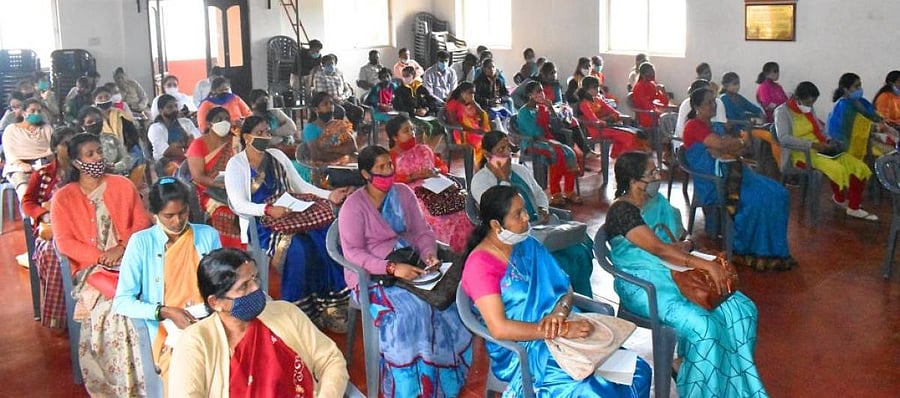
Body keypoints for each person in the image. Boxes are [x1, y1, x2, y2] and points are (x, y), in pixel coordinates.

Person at [605, 151, 769, 398]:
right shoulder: (622, 211)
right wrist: (705, 266)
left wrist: (688, 246)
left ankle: (722, 382)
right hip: (643, 285)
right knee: (704, 326)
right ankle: (700, 388)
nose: (658, 176)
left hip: (678, 275)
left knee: (741, 310)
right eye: (652, 173)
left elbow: (682, 238)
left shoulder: (658, 203)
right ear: (634, 181)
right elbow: (658, 248)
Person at [463, 185, 651, 397]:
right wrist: (560, 330)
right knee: (593, 391)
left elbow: (565, 288)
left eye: (525, 210)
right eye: (518, 214)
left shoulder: (529, 244)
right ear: (496, 224)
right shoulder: (480, 265)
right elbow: (499, 329)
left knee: (638, 372)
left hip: (563, 331)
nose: (527, 217)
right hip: (525, 348)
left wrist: (559, 313)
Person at [337, 145, 472, 397]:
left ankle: (442, 381)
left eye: (390, 165)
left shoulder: (403, 194)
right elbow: (354, 253)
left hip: (409, 261)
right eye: (381, 168)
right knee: (411, 311)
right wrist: (391, 268)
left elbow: (421, 231)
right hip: (370, 275)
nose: (389, 171)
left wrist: (428, 254)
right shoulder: (353, 207)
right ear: (366, 174)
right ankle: (410, 387)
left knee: (450, 302)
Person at [224, 116, 353, 331]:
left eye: (267, 131)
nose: (266, 136)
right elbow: (238, 204)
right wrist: (267, 210)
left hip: (292, 214)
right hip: (263, 224)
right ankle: (300, 311)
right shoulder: (236, 165)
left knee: (324, 237)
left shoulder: (276, 156)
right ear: (247, 137)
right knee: (299, 249)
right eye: (261, 132)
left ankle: (331, 306)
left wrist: (329, 195)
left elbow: (300, 185)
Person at [168, 248, 349, 397]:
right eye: (244, 286)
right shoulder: (196, 342)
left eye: (255, 278)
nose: (256, 288)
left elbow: (331, 360)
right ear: (216, 302)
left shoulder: (286, 313)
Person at [51, 133, 152, 396]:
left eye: (99, 152)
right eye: (90, 155)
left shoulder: (122, 185)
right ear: (76, 162)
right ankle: (122, 384)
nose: (98, 158)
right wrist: (100, 257)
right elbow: (64, 242)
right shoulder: (64, 198)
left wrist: (122, 247)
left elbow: (141, 224)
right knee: (117, 313)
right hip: (92, 271)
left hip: (130, 259)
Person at [113, 177, 222, 383]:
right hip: (169, 329)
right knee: (188, 372)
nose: (178, 220)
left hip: (210, 319)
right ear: (154, 215)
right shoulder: (141, 243)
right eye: (169, 216)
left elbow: (221, 284)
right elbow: (122, 301)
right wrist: (165, 311)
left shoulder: (207, 235)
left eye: (183, 212)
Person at [682, 88, 796, 271]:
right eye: (708, 103)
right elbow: (722, 145)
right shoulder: (693, 126)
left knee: (779, 193)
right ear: (697, 107)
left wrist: (732, 146)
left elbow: (738, 148)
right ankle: (753, 251)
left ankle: (776, 250)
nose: (713, 105)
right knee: (759, 201)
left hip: (736, 173)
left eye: (714, 101)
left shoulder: (715, 126)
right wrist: (732, 145)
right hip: (717, 182)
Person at [471, 131, 594, 296]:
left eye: (508, 147)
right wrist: (503, 178)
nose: (507, 153)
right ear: (487, 154)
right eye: (501, 149)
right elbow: (500, 211)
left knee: (580, 246)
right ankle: (559, 298)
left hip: (539, 225)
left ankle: (583, 299)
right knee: (565, 258)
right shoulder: (481, 181)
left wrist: (543, 209)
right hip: (513, 235)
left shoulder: (519, 170)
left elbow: (538, 192)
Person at [775, 81, 877, 221]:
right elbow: (784, 138)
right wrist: (812, 145)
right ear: (798, 98)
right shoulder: (783, 112)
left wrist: (829, 140)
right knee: (837, 169)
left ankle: (853, 206)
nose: (810, 106)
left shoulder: (809, 108)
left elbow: (820, 129)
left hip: (820, 148)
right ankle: (840, 198)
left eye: (813, 103)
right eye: (808, 102)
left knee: (859, 167)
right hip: (800, 154)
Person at [386, 115, 473, 252]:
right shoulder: (390, 157)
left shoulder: (423, 150)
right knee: (437, 218)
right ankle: (442, 252)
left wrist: (436, 170)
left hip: (436, 189)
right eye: (406, 131)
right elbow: (390, 180)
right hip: (410, 196)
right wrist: (414, 176)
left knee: (463, 210)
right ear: (394, 137)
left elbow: (443, 167)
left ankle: (465, 251)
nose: (412, 134)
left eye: (412, 129)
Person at [22, 127, 77, 329]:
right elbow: (27, 201)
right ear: (55, 147)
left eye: (72, 143)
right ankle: (59, 316)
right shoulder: (43, 174)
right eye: (64, 144)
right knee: (54, 253)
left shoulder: (82, 171)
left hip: (78, 223)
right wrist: (43, 214)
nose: (69, 148)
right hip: (51, 227)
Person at [516, 81, 583, 205]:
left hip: (547, 140)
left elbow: (556, 127)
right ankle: (555, 193)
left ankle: (569, 190)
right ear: (530, 95)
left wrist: (551, 110)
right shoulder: (524, 112)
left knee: (570, 152)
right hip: (532, 143)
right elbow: (533, 133)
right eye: (538, 91)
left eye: (542, 91)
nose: (542, 94)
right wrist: (550, 142)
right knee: (555, 152)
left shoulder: (542, 108)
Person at [186, 107, 244, 248]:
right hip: (208, 190)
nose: (224, 122)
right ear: (210, 123)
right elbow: (198, 176)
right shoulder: (198, 144)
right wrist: (219, 184)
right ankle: (226, 251)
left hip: (236, 187)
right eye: (219, 119)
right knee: (224, 213)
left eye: (226, 119)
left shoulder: (236, 141)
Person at [827, 72, 899, 160]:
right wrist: (881, 128)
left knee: (893, 147)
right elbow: (858, 126)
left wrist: (885, 126)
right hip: (849, 143)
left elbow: (876, 116)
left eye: (860, 85)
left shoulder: (860, 101)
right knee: (891, 153)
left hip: (868, 137)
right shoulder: (843, 106)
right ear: (845, 89)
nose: (860, 89)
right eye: (856, 86)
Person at [299, 92, 363, 188]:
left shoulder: (339, 125)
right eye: (325, 104)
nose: (330, 107)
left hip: (344, 164)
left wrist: (329, 150)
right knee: (357, 177)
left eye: (331, 103)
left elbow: (353, 148)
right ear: (316, 109)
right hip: (325, 170)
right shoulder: (311, 129)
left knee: (366, 169)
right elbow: (317, 155)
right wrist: (341, 152)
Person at [719, 72, 781, 166]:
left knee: (773, 130)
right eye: (734, 84)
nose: (737, 86)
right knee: (769, 137)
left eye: (738, 83)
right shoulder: (724, 99)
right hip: (740, 130)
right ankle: (778, 166)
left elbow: (752, 107)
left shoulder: (737, 97)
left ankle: (773, 164)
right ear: (726, 85)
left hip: (748, 127)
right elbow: (730, 119)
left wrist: (760, 114)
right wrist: (748, 123)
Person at [576, 76, 640, 158]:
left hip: (607, 127)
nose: (597, 89)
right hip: (595, 130)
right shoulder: (584, 104)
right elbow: (595, 122)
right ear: (586, 89)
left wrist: (614, 117)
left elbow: (615, 112)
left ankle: (617, 155)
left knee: (634, 133)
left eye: (598, 86)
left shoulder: (598, 100)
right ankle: (625, 159)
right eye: (594, 87)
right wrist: (610, 119)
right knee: (628, 136)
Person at [3, 98, 53, 199]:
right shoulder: (11, 129)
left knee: (51, 190)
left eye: (39, 111)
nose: (36, 114)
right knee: (25, 191)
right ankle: (29, 213)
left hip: (44, 163)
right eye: (32, 111)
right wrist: (21, 164)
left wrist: (47, 160)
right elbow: (9, 152)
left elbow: (53, 147)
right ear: (24, 113)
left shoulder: (47, 128)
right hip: (18, 166)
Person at [147, 94, 202, 174]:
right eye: (170, 107)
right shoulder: (155, 128)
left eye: (176, 106)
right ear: (161, 110)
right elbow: (167, 152)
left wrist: (178, 146)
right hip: (165, 164)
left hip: (189, 158)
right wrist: (187, 147)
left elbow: (197, 142)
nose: (175, 109)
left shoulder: (186, 122)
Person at [77, 106, 136, 176]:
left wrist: (114, 167)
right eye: (90, 122)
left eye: (98, 120)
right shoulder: (78, 144)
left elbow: (126, 159)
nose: (95, 123)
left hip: (115, 178)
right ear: (82, 126)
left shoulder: (111, 138)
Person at [309, 54, 364, 129]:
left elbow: (347, 89)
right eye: (328, 64)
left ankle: (352, 130)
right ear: (323, 65)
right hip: (329, 102)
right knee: (340, 111)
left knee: (359, 110)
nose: (331, 66)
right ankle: (336, 132)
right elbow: (322, 95)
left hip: (342, 100)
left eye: (332, 63)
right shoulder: (319, 76)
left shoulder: (339, 73)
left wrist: (342, 97)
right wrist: (334, 100)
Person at [445, 82, 491, 165]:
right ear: (462, 92)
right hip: (462, 132)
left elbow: (483, 115)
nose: (472, 95)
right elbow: (454, 122)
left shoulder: (470, 103)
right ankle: (481, 165)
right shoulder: (453, 103)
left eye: (474, 93)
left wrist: (474, 103)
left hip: (475, 129)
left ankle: (491, 164)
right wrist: (473, 130)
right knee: (483, 141)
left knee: (492, 138)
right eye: (470, 92)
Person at [91, 85, 142, 155]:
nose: (104, 99)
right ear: (94, 101)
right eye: (100, 98)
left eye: (107, 97)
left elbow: (132, 134)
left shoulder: (121, 114)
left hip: (126, 152)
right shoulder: (92, 119)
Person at [393, 65, 440, 138]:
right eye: (403, 76)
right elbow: (397, 105)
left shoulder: (420, 88)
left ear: (414, 75)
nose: (405, 78)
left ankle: (431, 147)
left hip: (425, 115)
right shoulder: (399, 90)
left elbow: (433, 101)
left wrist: (426, 109)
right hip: (410, 116)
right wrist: (414, 110)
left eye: (407, 75)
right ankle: (424, 147)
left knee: (440, 127)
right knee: (427, 127)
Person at [631, 62, 669, 128]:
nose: (653, 75)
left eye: (653, 72)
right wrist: (658, 111)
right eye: (650, 73)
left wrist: (663, 91)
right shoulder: (638, 87)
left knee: (670, 118)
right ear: (643, 75)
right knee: (666, 121)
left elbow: (664, 102)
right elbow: (645, 105)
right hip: (646, 115)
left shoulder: (652, 85)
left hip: (655, 113)